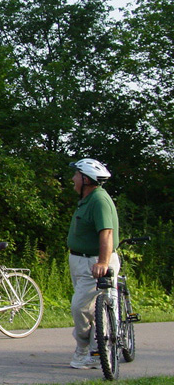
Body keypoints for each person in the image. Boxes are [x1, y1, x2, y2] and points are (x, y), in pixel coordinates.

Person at [66, 158, 120, 370]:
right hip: (80, 261)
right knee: (86, 309)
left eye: (76, 175)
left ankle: (87, 349)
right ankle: (95, 348)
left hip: (93, 263)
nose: (73, 179)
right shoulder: (87, 200)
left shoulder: (99, 200)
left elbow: (106, 232)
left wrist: (103, 262)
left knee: (80, 307)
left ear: (86, 179)